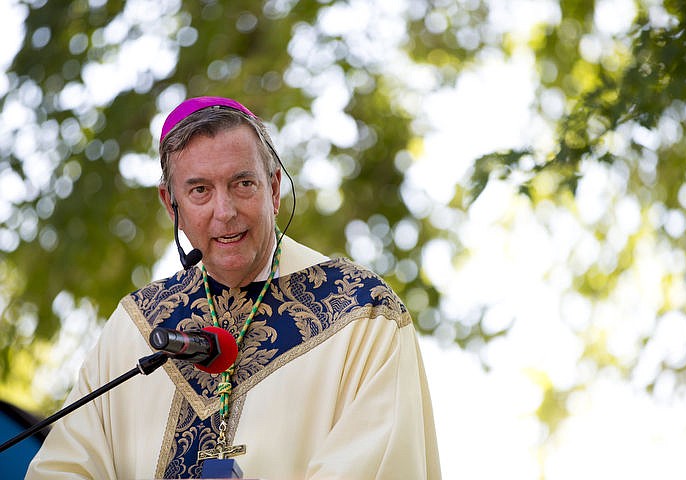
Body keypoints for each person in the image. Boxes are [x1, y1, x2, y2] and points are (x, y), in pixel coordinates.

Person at [26, 96, 441, 479]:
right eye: (200, 190)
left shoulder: (362, 313)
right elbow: (65, 468)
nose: (224, 212)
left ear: (274, 190)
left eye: (243, 184)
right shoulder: (133, 328)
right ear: (172, 205)